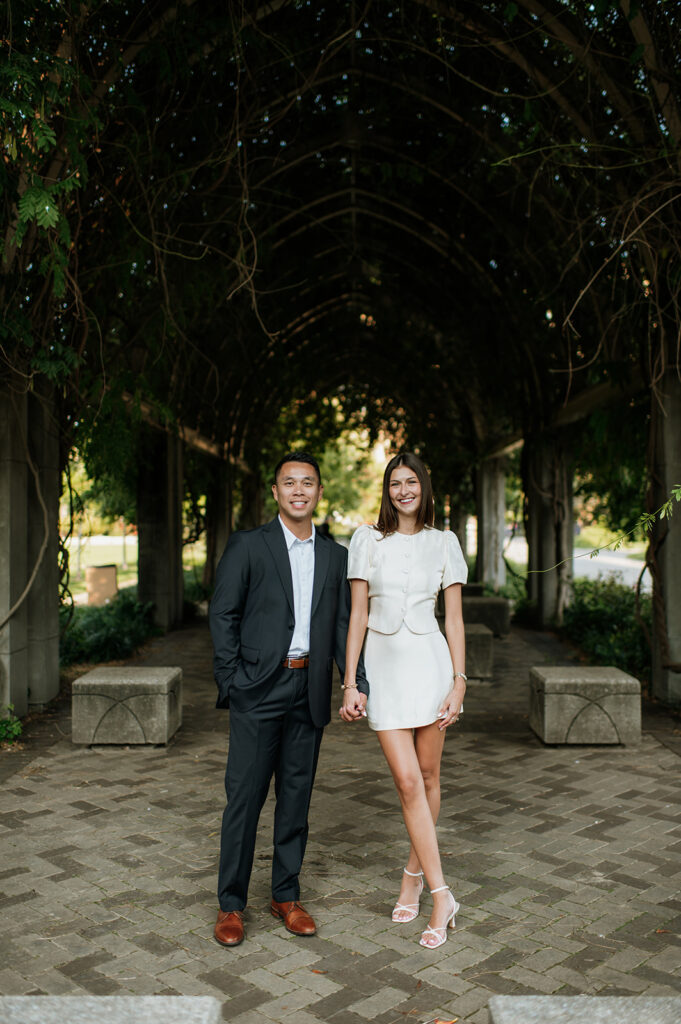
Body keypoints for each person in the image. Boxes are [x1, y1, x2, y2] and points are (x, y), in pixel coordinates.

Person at [209, 451, 369, 947]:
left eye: (308, 483)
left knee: (295, 799)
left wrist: (353, 681)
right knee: (246, 798)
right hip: (258, 688)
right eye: (289, 482)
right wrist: (234, 680)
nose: (299, 490)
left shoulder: (336, 555)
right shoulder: (248, 546)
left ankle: (285, 895)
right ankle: (231, 905)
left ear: (320, 493)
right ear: (275, 492)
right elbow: (223, 615)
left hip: (309, 689)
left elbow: (345, 624)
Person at [340, 452, 467, 949]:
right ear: (387, 490)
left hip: (432, 666)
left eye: (412, 482)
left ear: (424, 487)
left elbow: (453, 618)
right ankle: (443, 894)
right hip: (386, 671)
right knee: (407, 779)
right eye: (395, 483)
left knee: (430, 777)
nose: (403, 490)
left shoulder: (445, 542)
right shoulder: (365, 539)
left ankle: (414, 877)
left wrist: (459, 681)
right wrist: (351, 681)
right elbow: (355, 615)